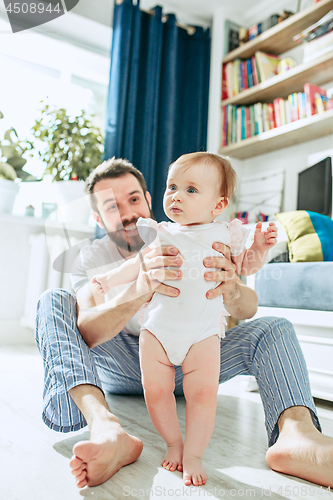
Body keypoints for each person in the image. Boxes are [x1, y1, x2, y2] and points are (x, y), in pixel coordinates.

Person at [35, 157, 333, 490]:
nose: (128, 212)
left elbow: (249, 308)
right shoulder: (92, 258)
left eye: (133, 199)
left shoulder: (201, 234)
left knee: (275, 326)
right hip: (126, 361)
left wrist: (232, 287)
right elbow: (87, 331)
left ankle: (297, 436)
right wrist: (139, 289)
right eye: (112, 206)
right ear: (97, 217)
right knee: (52, 301)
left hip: (199, 354)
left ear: (149, 200)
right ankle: (105, 428)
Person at [91, 152, 278, 486]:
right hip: (158, 333)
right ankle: (174, 443)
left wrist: (260, 248)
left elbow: (245, 268)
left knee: (203, 395)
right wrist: (109, 280)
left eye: (191, 190)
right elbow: (136, 266)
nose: (176, 195)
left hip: (203, 333)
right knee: (157, 392)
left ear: (218, 205)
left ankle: (193, 454)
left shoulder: (225, 234)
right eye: (172, 185)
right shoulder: (161, 232)